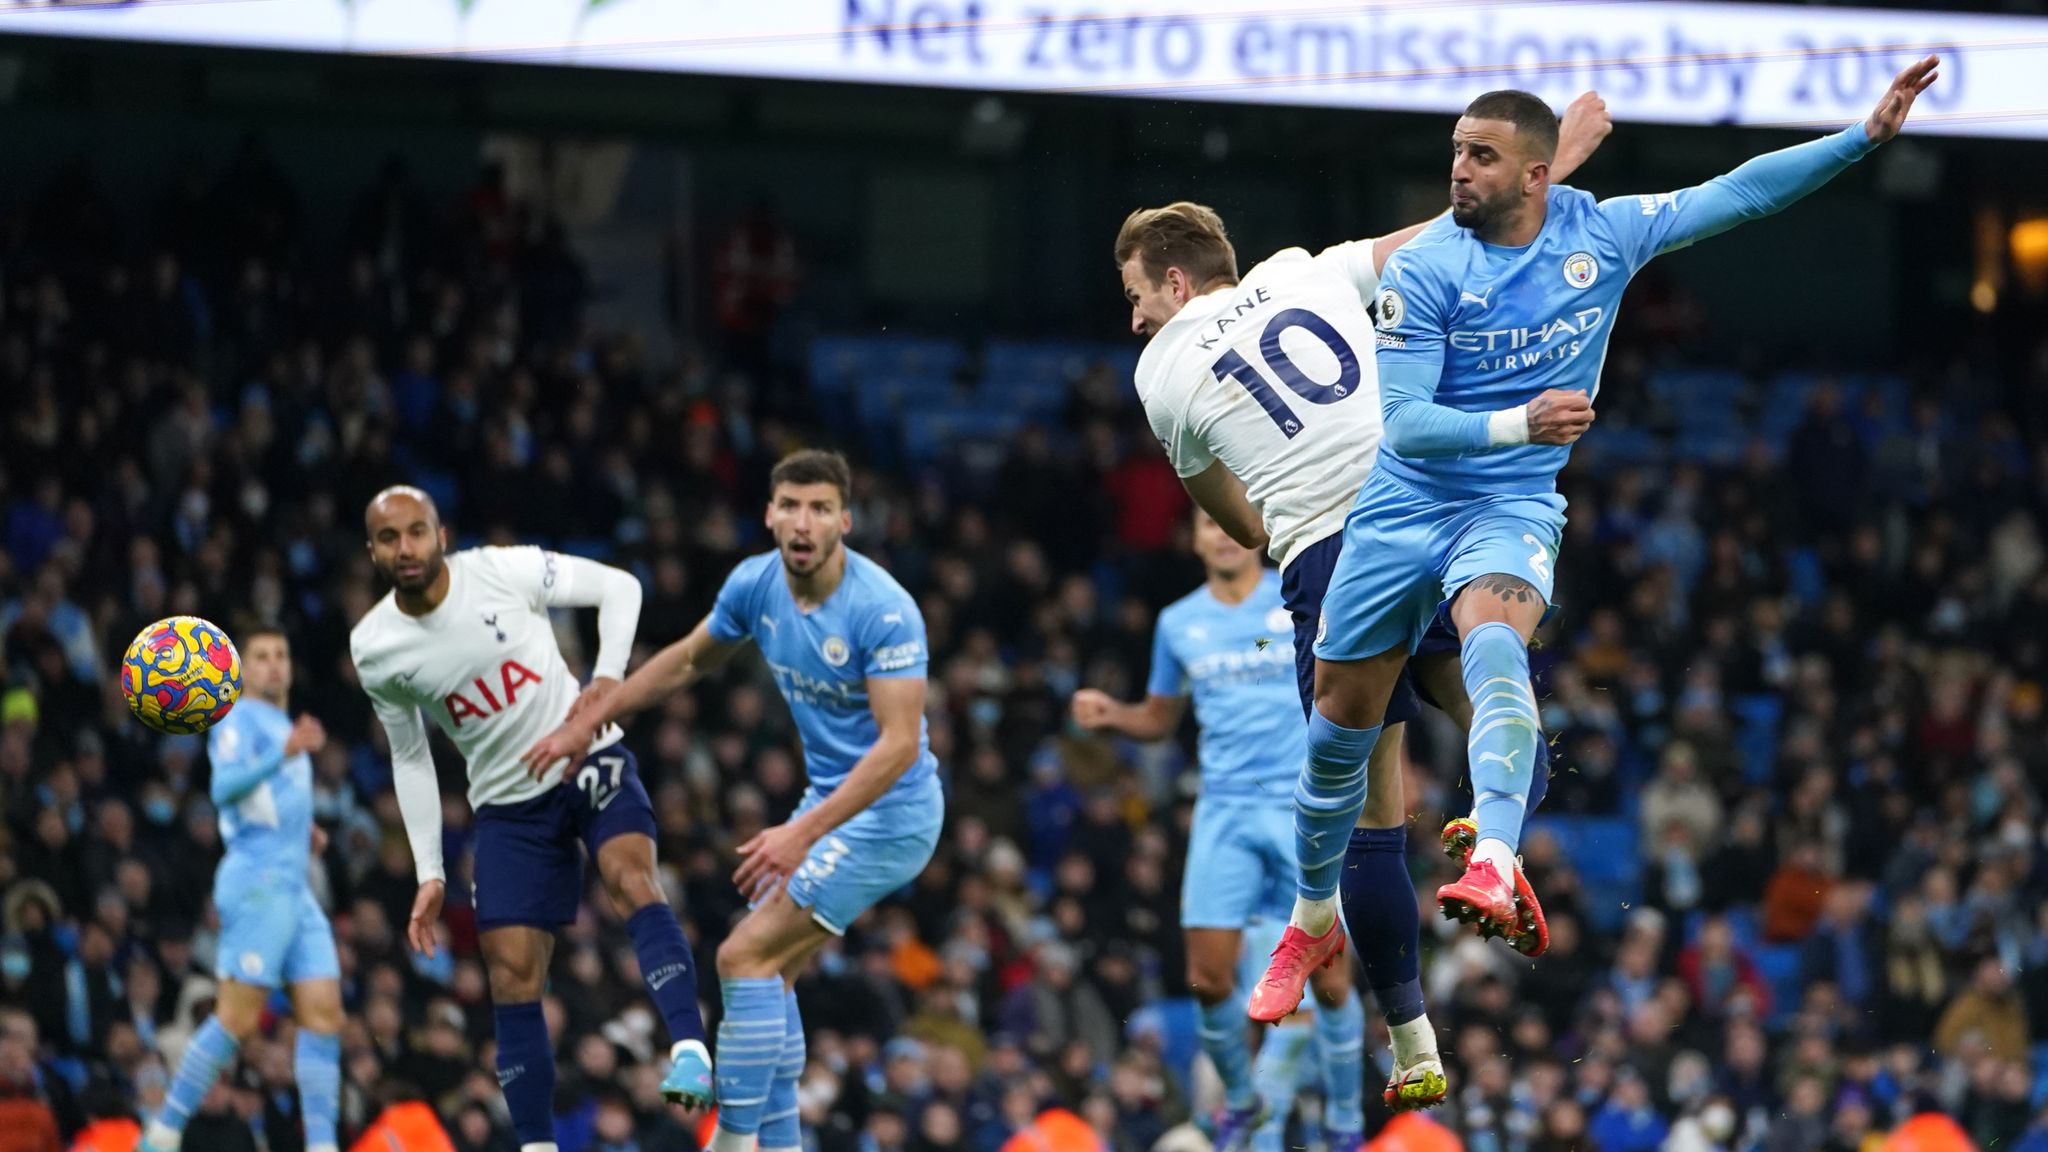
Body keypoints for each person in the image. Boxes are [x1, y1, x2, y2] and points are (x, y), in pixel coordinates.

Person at [1300, 60, 1939, 958]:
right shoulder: (1428, 265)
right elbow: (1403, 426)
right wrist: (1519, 419)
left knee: (1493, 644)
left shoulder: (1601, 234)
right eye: (1455, 153)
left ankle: (1491, 853)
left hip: (1510, 503)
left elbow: (1741, 194)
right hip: (1402, 508)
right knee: (1334, 726)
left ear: (1536, 174)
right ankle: (1308, 916)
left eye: (1480, 157)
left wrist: (1861, 139)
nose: (1458, 172)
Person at [1111, 92, 1610, 1111]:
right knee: (1496, 706)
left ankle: (1412, 1044)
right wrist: (1555, 156)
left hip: (1336, 557)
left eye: (1135, 294)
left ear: (1172, 278)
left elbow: (1242, 525)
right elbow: (1443, 229)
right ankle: (1497, 847)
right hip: (1429, 503)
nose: (1132, 317)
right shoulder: (1307, 269)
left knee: (1365, 810)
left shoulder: (1158, 369)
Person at [523, 449, 944, 1152]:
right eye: (791, 506)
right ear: (770, 515)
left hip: (892, 813)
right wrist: (588, 720)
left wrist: (802, 832)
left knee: (742, 956)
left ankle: (732, 1143)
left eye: (819, 509)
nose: (803, 523)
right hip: (832, 804)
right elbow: (689, 658)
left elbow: (899, 746)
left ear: (845, 520)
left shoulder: (884, 610)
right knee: (769, 978)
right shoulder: (755, 584)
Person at [348, 487, 712, 1152]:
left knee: (631, 877)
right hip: (508, 805)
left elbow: (621, 588)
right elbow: (410, 757)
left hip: (585, 756)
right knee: (511, 973)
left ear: (440, 534)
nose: (405, 548)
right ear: (371, 550)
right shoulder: (375, 646)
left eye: (416, 532)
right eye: (388, 538)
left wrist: (605, 681)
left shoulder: (499, 570)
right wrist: (429, 871)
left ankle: (688, 1046)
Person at [1071, 509, 1365, 1150]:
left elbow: (1336, 672)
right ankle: (1240, 1099)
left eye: (1231, 523)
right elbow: (1159, 717)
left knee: (1333, 980)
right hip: (1224, 811)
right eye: (1208, 525)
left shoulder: (1293, 596)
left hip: (1301, 806)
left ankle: (1346, 1114)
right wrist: (1114, 715)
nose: (1223, 535)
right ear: (1194, 539)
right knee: (1206, 979)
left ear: (1254, 531)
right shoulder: (1178, 624)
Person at [140, 628, 343, 1152]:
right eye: (261, 658)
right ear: (243, 670)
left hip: (294, 884)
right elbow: (224, 788)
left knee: (323, 1012)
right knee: (237, 1015)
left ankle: (322, 1145)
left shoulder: (280, 724)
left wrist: (305, 836)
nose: (274, 665)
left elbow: (266, 805)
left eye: (281, 655)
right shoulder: (237, 718)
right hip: (257, 881)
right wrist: (287, 750)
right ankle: (163, 1132)